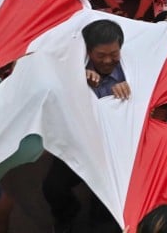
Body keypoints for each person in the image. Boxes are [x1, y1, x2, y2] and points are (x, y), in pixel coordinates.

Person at [44, 19, 129, 233]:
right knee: (53, 188)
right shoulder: (73, 67)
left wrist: (128, 89)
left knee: (105, 209)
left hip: (114, 151)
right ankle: (67, 215)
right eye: (100, 55)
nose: (108, 60)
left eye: (114, 54)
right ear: (88, 51)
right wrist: (76, 79)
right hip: (78, 143)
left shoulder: (133, 71)